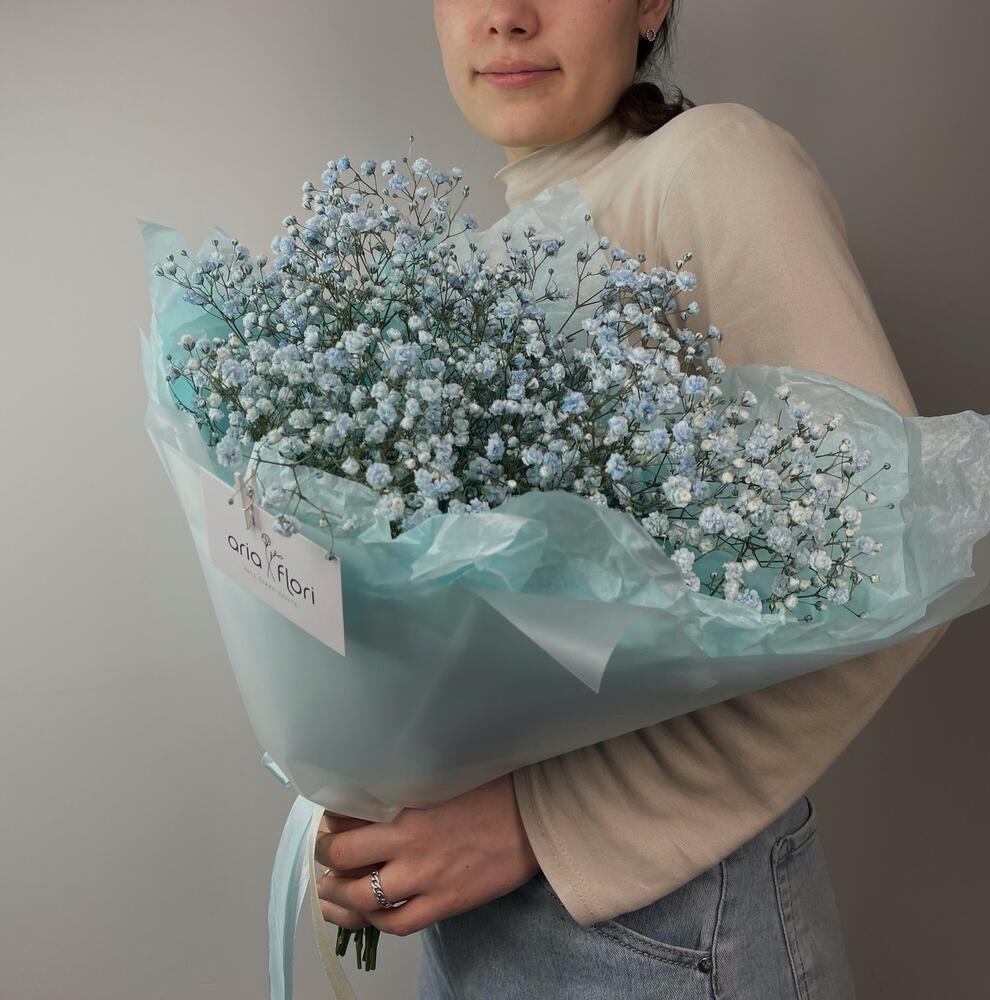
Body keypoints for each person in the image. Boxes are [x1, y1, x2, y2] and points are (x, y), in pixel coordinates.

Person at [314, 2, 953, 997]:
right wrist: (393, 799)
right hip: (491, 931)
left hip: (669, 935)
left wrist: (542, 822)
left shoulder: (708, 165)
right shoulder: (488, 257)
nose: (507, 16)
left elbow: (891, 570)